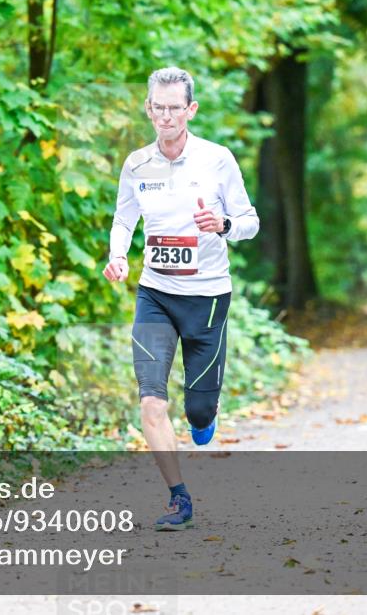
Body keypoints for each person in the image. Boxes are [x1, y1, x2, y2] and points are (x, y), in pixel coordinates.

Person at [102, 67, 259, 530]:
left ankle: (203, 415)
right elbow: (123, 221)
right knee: (151, 401)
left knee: (198, 411)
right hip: (155, 294)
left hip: (208, 296)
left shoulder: (217, 159)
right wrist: (118, 257)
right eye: (158, 106)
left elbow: (249, 221)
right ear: (148, 107)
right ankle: (178, 498)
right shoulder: (136, 164)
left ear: (190, 110)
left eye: (175, 107)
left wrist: (223, 225)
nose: (165, 116)